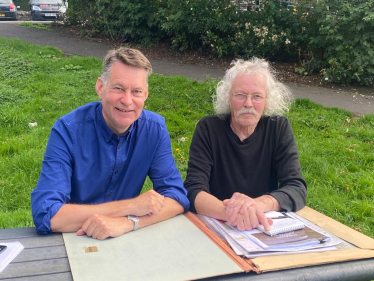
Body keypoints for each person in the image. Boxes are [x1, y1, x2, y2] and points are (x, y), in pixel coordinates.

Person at [31, 47, 189, 240]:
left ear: (145, 94)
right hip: (75, 238)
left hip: (124, 236)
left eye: (136, 91)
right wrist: (131, 207)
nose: (127, 100)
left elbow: (177, 198)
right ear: (100, 88)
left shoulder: (154, 129)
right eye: (119, 88)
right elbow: (48, 215)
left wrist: (128, 223)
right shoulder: (67, 130)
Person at [184, 58, 307, 232]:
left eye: (257, 96)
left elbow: (296, 187)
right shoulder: (208, 129)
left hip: (262, 224)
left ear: (267, 100)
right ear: (228, 97)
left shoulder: (278, 128)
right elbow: (193, 189)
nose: (248, 104)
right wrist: (232, 213)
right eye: (240, 95)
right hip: (217, 224)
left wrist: (256, 205)